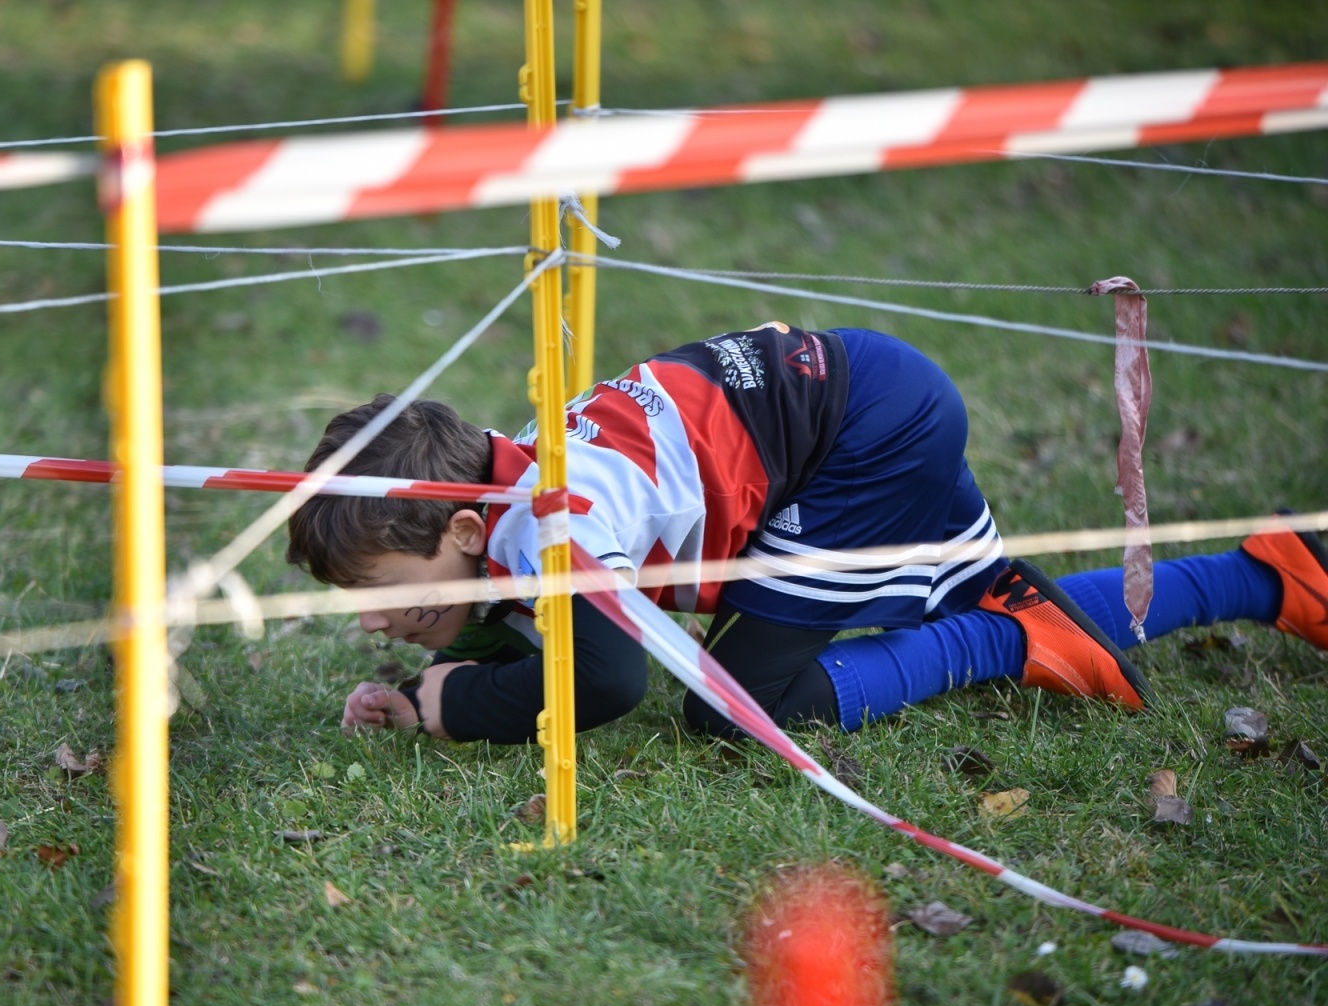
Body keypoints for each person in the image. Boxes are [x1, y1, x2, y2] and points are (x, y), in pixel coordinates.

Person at [285, 322, 1328, 743]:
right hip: (856, 399)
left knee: (734, 709)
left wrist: (448, 703)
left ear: (467, 528)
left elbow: (604, 680)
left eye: (386, 588)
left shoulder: (558, 522)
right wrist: (447, 641)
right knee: (951, 586)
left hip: (857, 438)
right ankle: (1270, 574)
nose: (378, 617)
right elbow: (528, 618)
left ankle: (1005, 640)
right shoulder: (500, 495)